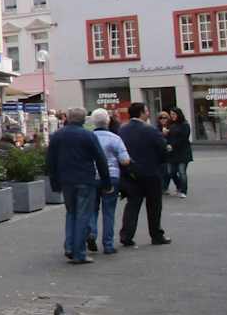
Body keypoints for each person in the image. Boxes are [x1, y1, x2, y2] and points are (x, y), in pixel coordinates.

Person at [46, 107, 111, 264]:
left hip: (66, 180)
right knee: (83, 215)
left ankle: (69, 246)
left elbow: (50, 161)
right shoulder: (88, 135)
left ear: (68, 118)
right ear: (83, 120)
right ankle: (79, 252)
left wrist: (54, 182)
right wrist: (106, 181)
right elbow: (100, 159)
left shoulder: (57, 135)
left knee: (71, 213)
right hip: (85, 179)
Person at [119, 102, 172, 247]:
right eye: (147, 111)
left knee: (132, 204)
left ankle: (126, 235)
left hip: (131, 172)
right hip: (150, 172)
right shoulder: (150, 130)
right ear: (142, 113)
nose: (148, 113)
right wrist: (160, 162)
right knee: (154, 205)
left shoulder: (122, 130)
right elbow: (163, 149)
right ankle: (156, 235)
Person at [87, 109, 130, 255]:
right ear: (108, 121)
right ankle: (108, 244)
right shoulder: (115, 138)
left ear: (93, 122)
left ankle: (91, 232)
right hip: (112, 176)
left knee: (92, 208)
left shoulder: (88, 137)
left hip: (92, 176)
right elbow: (125, 160)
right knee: (109, 211)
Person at [164, 107, 193, 197]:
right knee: (171, 172)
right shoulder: (171, 124)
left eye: (174, 114)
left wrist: (172, 145)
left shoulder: (185, 125)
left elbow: (183, 139)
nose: (172, 116)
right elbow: (169, 137)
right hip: (172, 153)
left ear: (178, 114)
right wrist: (166, 134)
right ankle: (179, 186)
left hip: (183, 152)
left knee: (181, 171)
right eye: (171, 114)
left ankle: (183, 191)